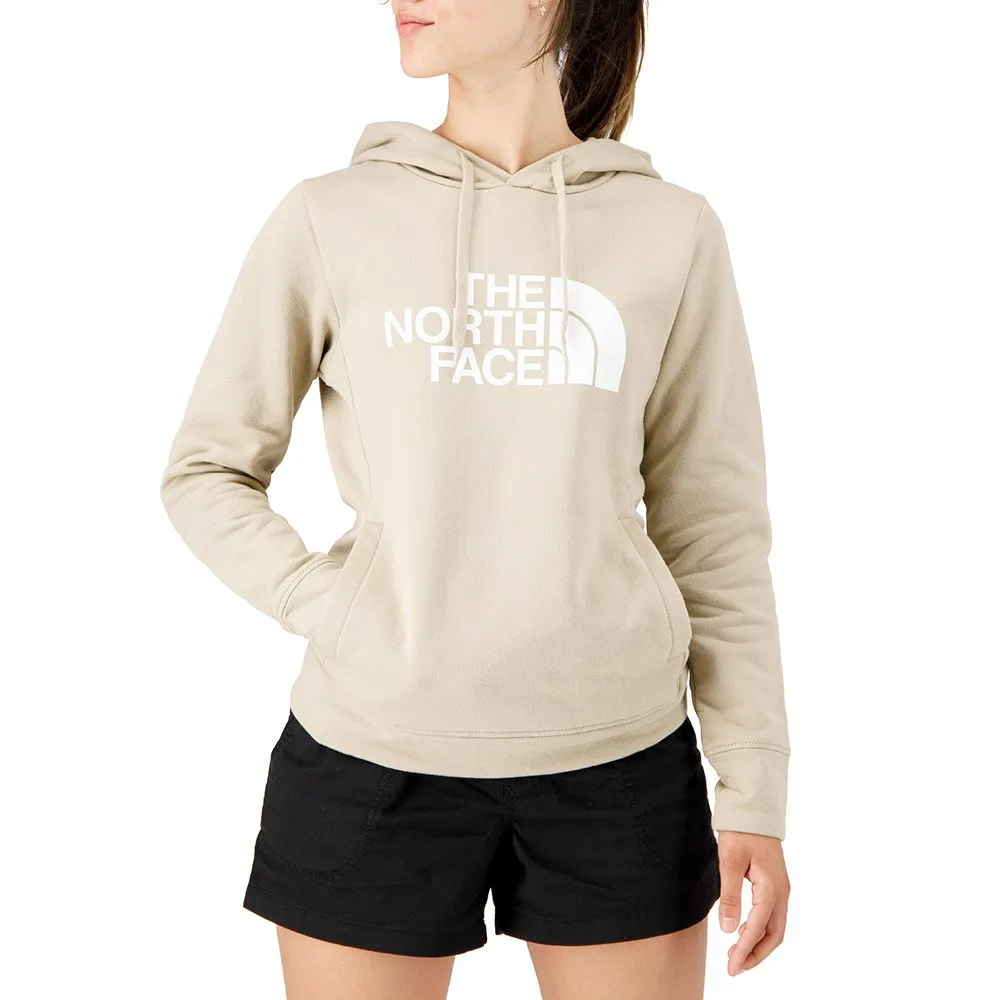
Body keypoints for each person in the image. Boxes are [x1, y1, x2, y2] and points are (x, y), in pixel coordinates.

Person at [159, 1, 791, 996]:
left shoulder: (670, 232)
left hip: (617, 761)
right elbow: (206, 469)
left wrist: (752, 787)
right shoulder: (330, 218)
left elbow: (713, 529)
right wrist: (336, 606)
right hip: (370, 757)